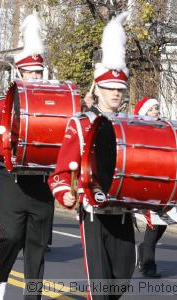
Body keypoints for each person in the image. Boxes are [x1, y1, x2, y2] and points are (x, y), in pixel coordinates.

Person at [48, 13, 135, 300]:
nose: (115, 94)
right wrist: (65, 195)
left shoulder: (131, 125)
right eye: (109, 88)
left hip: (122, 214)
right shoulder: (81, 123)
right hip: (94, 213)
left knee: (121, 280)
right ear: (97, 89)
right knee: (100, 289)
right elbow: (60, 173)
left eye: (120, 89)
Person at [0, 14, 54, 300]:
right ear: (19, 74)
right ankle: (0, 280)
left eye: (39, 72)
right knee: (12, 238)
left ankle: (33, 296)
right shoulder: (0, 105)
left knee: (38, 245)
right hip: (9, 178)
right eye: (30, 73)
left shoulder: (55, 107)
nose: (35, 77)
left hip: (42, 182)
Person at [132, 97, 177, 278]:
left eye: (157, 108)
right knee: (154, 223)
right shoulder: (137, 129)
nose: (156, 111)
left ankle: (143, 250)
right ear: (143, 113)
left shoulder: (162, 128)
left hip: (162, 181)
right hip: (144, 182)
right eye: (152, 109)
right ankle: (148, 266)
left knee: (162, 223)